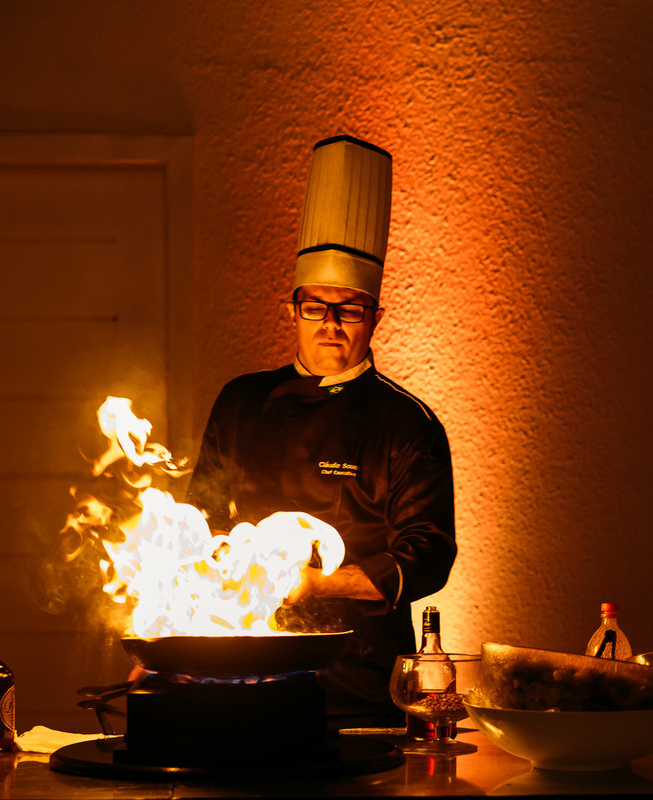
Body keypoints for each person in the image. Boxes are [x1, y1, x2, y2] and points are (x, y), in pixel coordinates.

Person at [186, 135, 456, 726]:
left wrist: (316, 586)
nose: (330, 325)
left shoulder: (408, 425)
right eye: (315, 307)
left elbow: (428, 556)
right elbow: (198, 525)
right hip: (240, 672)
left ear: (374, 317)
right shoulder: (242, 401)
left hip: (359, 690)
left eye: (350, 309)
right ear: (293, 309)